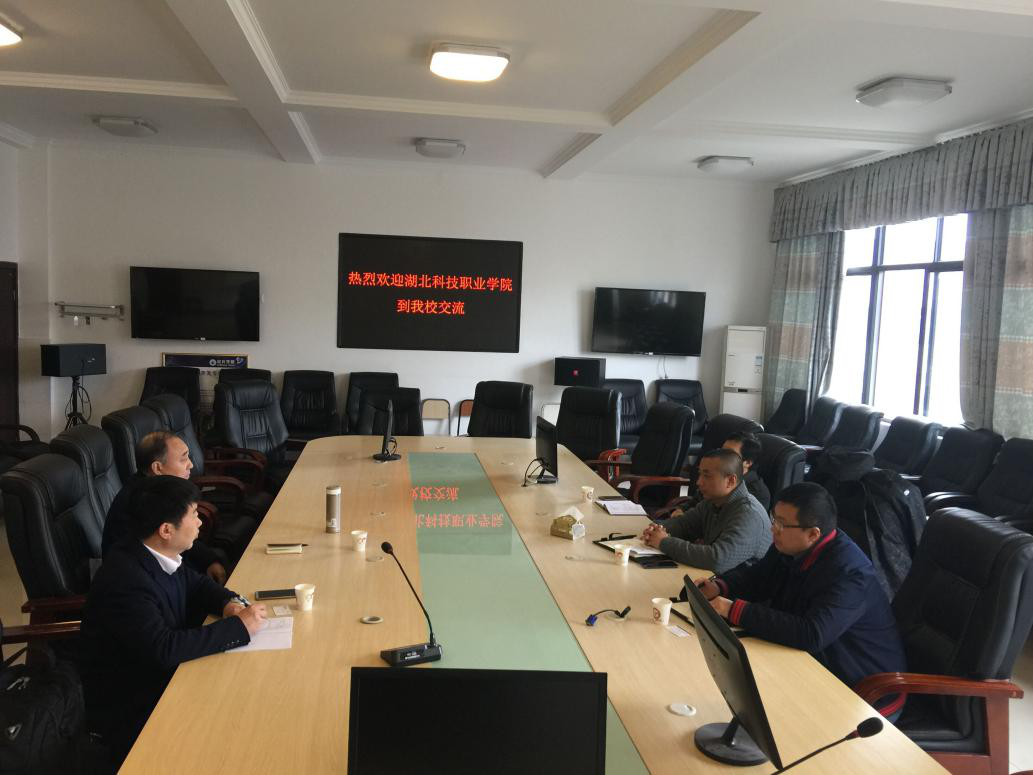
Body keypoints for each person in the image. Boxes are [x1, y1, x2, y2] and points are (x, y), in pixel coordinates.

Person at [81, 475, 267, 765]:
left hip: (165, 675)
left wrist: (227, 603)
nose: (200, 522)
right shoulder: (127, 580)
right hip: (136, 703)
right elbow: (163, 648)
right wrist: (238, 627)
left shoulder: (153, 551)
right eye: (193, 515)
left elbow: (195, 583)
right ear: (166, 529)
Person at [695, 482, 906, 719]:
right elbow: (758, 578)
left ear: (813, 533)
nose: (773, 528)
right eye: (774, 518)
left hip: (862, 690)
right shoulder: (791, 545)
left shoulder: (849, 574)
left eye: (781, 524)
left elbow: (812, 634)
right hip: (811, 663)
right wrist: (720, 586)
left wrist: (736, 610)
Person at [103, 431, 227, 584]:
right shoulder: (143, 502)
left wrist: (209, 561)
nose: (191, 464)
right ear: (157, 468)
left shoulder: (159, 490)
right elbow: (165, 563)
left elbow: (179, 536)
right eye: (183, 459)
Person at [640, 448, 771, 573]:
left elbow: (717, 559)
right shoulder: (712, 501)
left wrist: (663, 542)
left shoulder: (749, 514)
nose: (699, 482)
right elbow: (683, 524)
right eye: (700, 474)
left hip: (734, 586)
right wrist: (655, 529)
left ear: (730, 481)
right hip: (709, 578)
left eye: (707, 476)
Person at [722, 431, 770, 511]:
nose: (720, 456)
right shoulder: (716, 472)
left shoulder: (757, 493)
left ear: (747, 463)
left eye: (730, 454)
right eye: (722, 451)